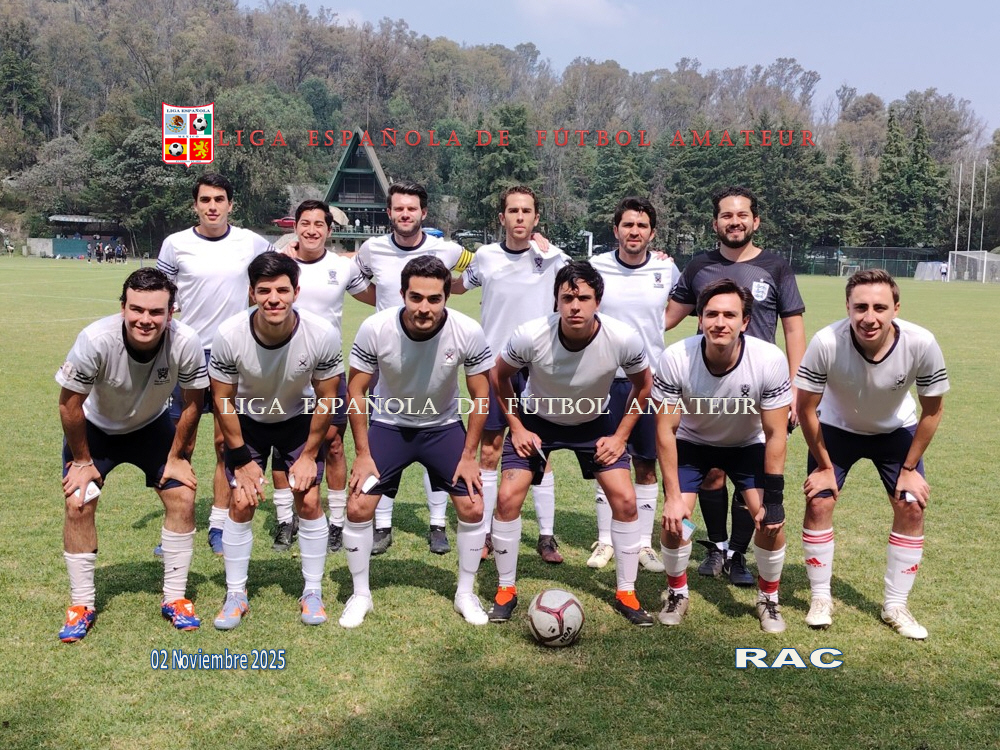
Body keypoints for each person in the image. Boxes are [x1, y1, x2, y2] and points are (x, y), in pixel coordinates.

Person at [488, 261, 655, 626]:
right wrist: (516, 426)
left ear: (598, 302)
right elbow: (498, 376)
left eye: (584, 298)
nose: (575, 306)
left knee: (626, 501)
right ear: (557, 301)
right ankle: (505, 590)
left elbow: (644, 385)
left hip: (594, 423)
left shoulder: (622, 337)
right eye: (567, 298)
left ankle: (626, 592)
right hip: (536, 421)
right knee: (507, 497)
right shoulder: (530, 335)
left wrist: (621, 436)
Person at [56, 268, 209, 642]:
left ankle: (175, 598)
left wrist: (178, 456)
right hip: (96, 430)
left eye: (156, 311)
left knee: (182, 496)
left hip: (150, 428)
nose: (145, 319)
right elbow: (69, 404)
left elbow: (193, 402)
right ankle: (81, 605)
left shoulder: (186, 341)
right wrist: (82, 462)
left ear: (171, 313)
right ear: (123, 307)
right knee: (79, 502)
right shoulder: (96, 339)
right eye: (137, 309)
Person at [339, 255, 492, 628]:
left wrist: (469, 455)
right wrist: (362, 454)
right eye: (416, 297)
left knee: (473, 508)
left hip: (442, 428)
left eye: (434, 299)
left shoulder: (467, 331)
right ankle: (361, 595)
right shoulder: (375, 328)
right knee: (357, 508)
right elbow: (356, 391)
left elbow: (481, 395)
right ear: (403, 294)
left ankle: (465, 593)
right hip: (389, 426)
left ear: (446, 297)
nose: (425, 308)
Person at [795, 269, 948, 639]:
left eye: (880, 307)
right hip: (836, 429)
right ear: (847, 307)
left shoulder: (921, 342)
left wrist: (909, 469)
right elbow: (805, 409)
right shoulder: (826, 341)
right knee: (819, 500)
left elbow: (932, 411)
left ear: (896, 308)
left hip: (895, 431)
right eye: (860, 307)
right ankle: (820, 597)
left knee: (911, 505)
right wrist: (825, 466)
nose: (869, 317)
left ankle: (895, 605)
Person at [664, 185, 805, 586]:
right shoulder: (699, 266)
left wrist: (795, 388)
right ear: (716, 223)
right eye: (726, 215)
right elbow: (666, 318)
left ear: (755, 221)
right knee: (710, 474)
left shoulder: (776, 266)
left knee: (751, 485)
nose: (735, 222)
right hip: (708, 390)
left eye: (742, 215)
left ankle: (739, 555)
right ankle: (717, 547)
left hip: (761, 391)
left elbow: (794, 328)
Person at [209, 252, 343, 629]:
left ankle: (312, 591)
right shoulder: (229, 335)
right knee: (241, 501)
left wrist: (309, 455)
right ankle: (236, 594)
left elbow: (328, 398)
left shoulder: (321, 334)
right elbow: (222, 400)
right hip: (248, 421)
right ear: (251, 293)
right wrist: (241, 459)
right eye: (264, 290)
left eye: (282, 290)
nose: (273, 299)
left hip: (297, 419)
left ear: (296, 292)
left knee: (309, 499)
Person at [654, 279, 791, 631]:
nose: (719, 322)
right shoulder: (676, 357)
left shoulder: (768, 359)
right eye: (711, 314)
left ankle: (769, 598)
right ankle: (676, 592)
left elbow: (776, 433)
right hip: (692, 444)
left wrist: (774, 500)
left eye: (730, 315)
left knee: (769, 522)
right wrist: (672, 497)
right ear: (700, 318)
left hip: (747, 444)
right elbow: (666, 430)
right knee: (677, 522)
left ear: (745, 321)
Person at [350, 181, 471, 556]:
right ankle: (382, 525)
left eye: (412, 208)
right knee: (389, 438)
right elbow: (355, 280)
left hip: (434, 351)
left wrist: (536, 243)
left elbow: (478, 267)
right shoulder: (372, 249)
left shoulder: (447, 249)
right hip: (388, 354)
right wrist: (384, 310)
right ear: (389, 212)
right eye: (399, 208)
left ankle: (437, 525)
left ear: (424, 213)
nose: (405, 214)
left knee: (436, 433)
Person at [451, 185, 571, 563]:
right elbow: (455, 287)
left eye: (526, 211)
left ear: (536, 217)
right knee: (489, 450)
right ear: (502, 217)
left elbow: (589, 282)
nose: (520, 217)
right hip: (493, 366)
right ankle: (486, 533)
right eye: (513, 211)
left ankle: (546, 537)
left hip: (539, 368)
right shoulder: (485, 257)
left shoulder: (553, 257)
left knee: (540, 449)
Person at [157, 173, 275, 555]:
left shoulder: (250, 242)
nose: (212, 206)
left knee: (227, 443)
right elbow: (160, 294)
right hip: (187, 353)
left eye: (219, 199)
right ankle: (179, 523)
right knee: (182, 442)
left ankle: (219, 525)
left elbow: (279, 265)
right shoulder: (175, 244)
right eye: (205, 199)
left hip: (233, 354)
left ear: (230, 204)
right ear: (195, 204)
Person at [269, 200, 370, 554]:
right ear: (295, 226)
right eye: (305, 223)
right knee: (282, 445)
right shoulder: (277, 262)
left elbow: (376, 293)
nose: (311, 230)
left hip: (327, 370)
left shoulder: (342, 267)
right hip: (282, 369)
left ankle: (337, 522)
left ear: (329, 229)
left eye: (319, 224)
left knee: (333, 444)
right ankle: (286, 520)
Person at [588, 197, 680, 573]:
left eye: (642, 226)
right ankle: (606, 540)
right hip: (603, 381)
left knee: (646, 463)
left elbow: (677, 308)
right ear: (616, 230)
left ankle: (643, 543)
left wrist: (654, 329)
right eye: (628, 225)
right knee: (605, 458)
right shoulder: (596, 266)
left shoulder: (666, 268)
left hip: (648, 383)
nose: (634, 231)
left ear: (652, 233)